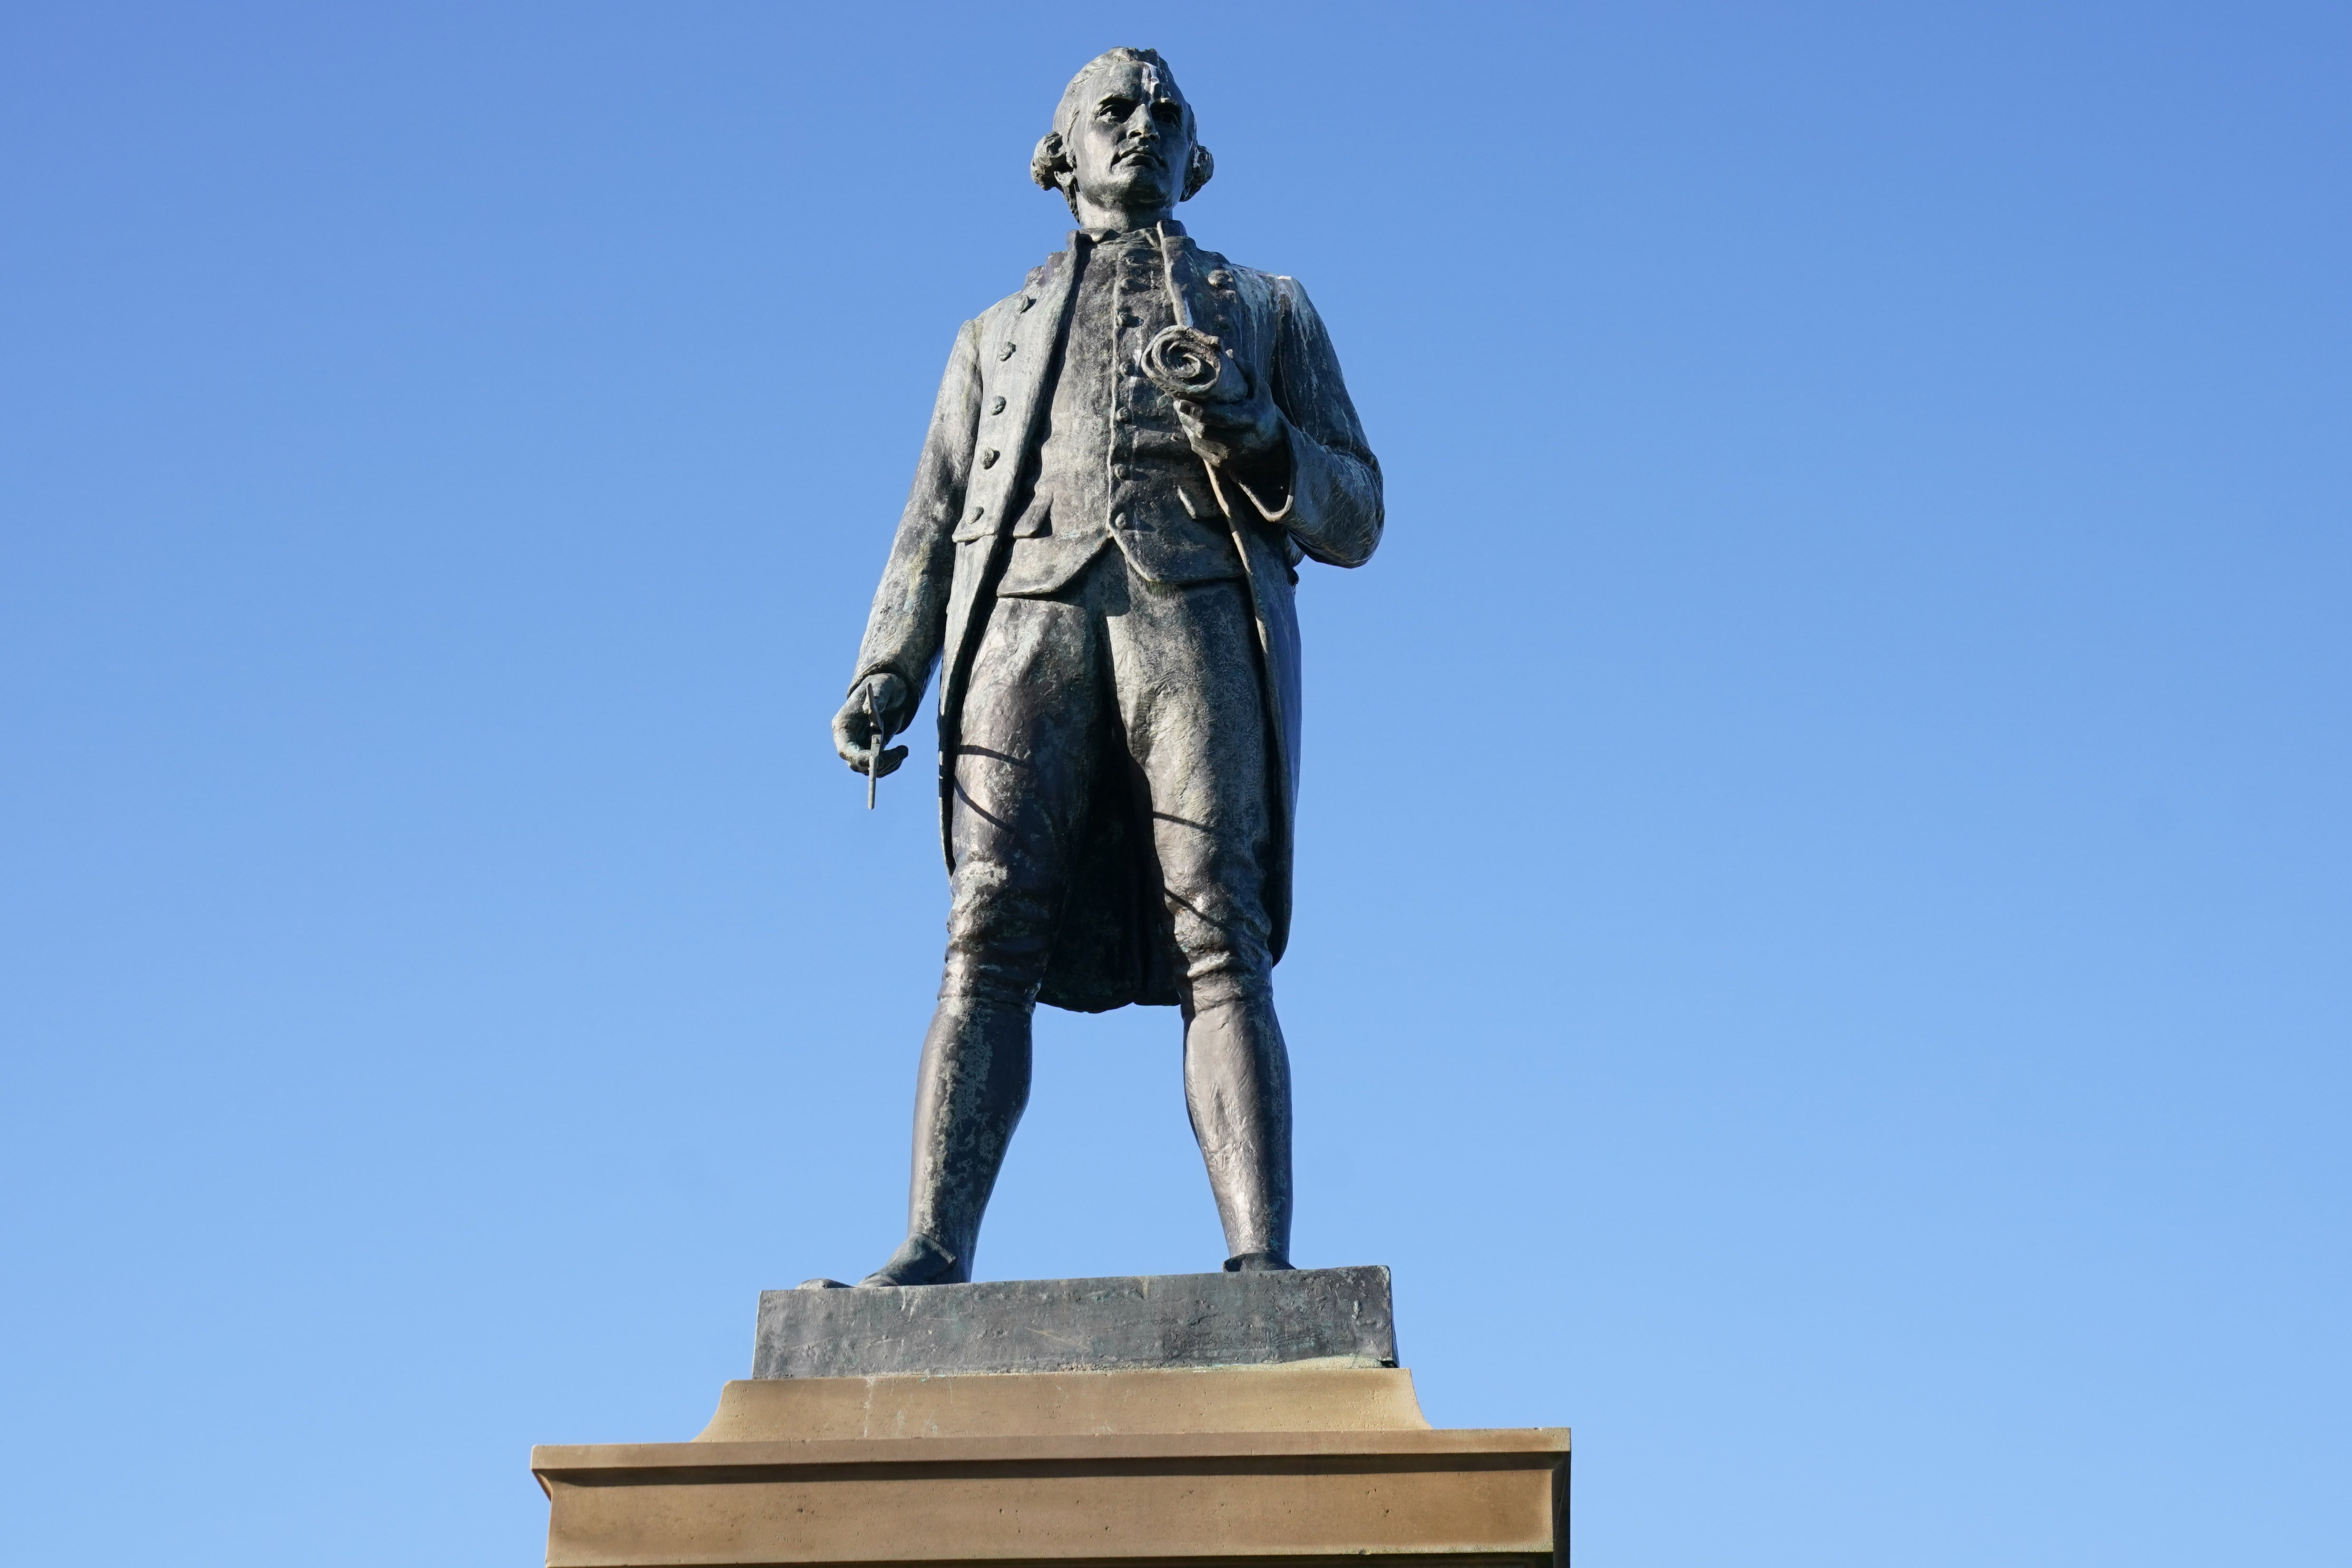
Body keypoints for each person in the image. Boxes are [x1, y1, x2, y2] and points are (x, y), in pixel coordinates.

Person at [821, 47, 1382, 1287]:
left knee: (1220, 934)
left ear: (1199, 156)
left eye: (1167, 112)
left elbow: (1357, 513)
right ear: (1060, 152)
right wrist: (885, 672)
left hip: (1195, 622)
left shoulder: (1268, 308)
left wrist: (1257, 428)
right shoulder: (990, 336)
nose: (1144, 125)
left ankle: (1260, 1268)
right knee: (983, 938)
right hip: (1022, 629)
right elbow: (926, 524)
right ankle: (932, 1245)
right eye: (1113, 110)